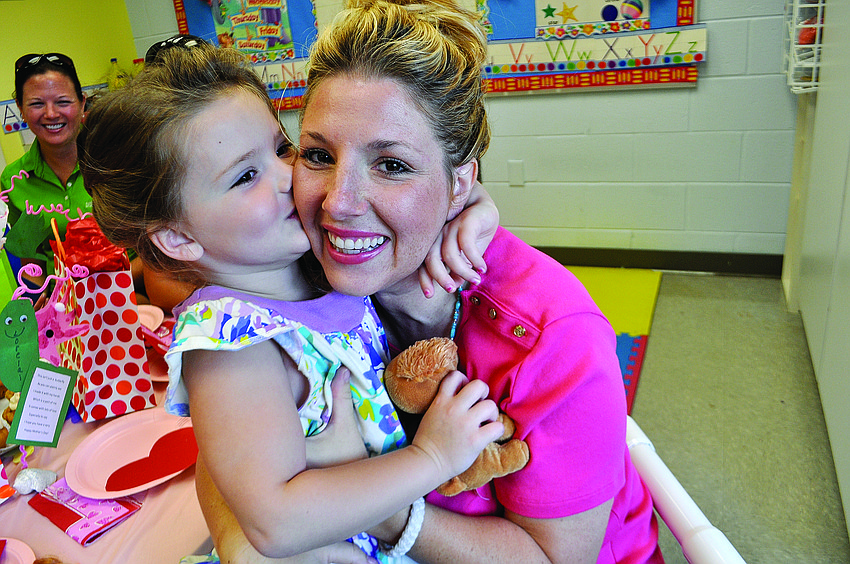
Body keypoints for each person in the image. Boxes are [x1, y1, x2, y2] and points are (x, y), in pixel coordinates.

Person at [200, 0, 664, 562]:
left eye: (391, 164)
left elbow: (554, 559)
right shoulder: (297, 275)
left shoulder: (553, 334)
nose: (338, 204)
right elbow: (223, 445)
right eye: (319, 154)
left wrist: (369, 496)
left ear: (460, 183)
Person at [77, 44, 505, 563]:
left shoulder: (309, 267)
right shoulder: (231, 342)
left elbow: (430, 192)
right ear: (178, 238)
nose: (291, 179)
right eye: (245, 176)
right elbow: (276, 523)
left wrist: (473, 205)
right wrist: (432, 457)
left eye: (282, 149)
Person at [1, 53, 90, 285]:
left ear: (82, 102)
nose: (51, 114)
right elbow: (32, 264)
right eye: (37, 104)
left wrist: (106, 286)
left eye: (63, 102)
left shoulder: (116, 161)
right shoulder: (15, 180)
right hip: (65, 304)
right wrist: (42, 299)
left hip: (132, 291)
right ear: (20, 108)